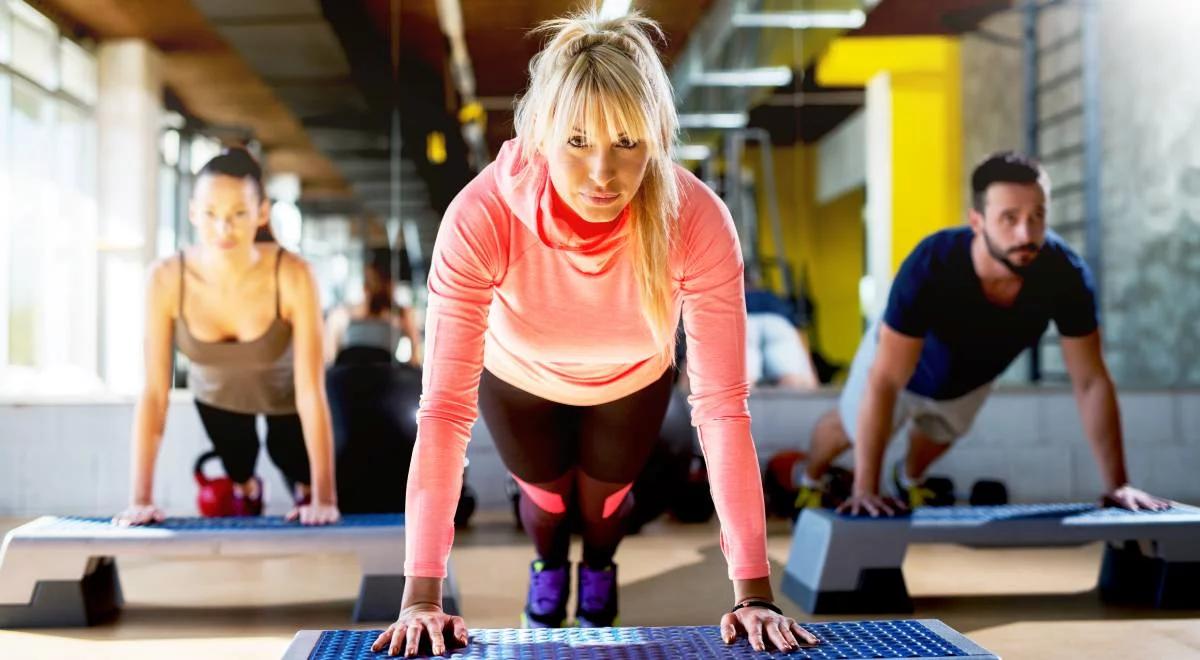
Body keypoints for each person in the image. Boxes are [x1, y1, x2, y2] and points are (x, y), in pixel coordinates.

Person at [372, 9, 817, 658]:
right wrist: (420, 597)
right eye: (578, 142)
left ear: (655, 139)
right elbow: (442, 412)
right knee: (550, 507)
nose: (602, 173)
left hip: (631, 378)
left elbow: (722, 409)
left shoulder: (695, 219)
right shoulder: (481, 215)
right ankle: (549, 565)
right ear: (544, 135)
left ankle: (601, 568)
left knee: (604, 508)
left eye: (627, 144)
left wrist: (753, 592)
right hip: (519, 378)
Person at [796, 151, 1170, 517]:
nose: (1026, 233)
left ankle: (908, 479)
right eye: (1009, 218)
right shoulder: (932, 264)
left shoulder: (1065, 274)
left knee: (935, 438)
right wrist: (865, 491)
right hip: (898, 368)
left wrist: (1118, 484)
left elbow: (1090, 382)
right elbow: (885, 379)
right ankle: (810, 479)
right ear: (977, 221)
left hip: (968, 380)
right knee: (848, 431)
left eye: (1037, 216)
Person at [114, 148, 340, 526]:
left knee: (291, 459)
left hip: (285, 397)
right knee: (239, 465)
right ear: (192, 213)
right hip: (218, 397)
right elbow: (154, 395)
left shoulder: (294, 274)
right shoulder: (166, 279)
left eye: (238, 213)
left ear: (262, 213)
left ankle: (301, 487)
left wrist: (324, 498)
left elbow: (311, 392)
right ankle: (248, 490)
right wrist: (140, 500)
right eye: (210, 214)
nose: (223, 229)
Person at [324, 257, 423, 366]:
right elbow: (416, 356)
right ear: (391, 285)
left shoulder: (343, 314)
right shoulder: (399, 315)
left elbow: (330, 358)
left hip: (350, 376)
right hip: (383, 377)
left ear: (364, 287)